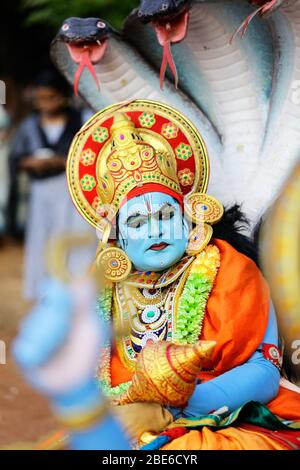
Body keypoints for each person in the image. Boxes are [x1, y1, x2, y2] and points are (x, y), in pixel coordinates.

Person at [14, 100, 300, 450]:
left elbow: (265, 369)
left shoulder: (231, 267)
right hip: (129, 422)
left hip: (229, 417)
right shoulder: (105, 289)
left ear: (188, 217)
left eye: (166, 216)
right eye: (137, 222)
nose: (155, 230)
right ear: (115, 236)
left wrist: (176, 409)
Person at [8, 68, 95, 300]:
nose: (45, 103)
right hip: (42, 191)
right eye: (41, 99)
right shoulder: (30, 125)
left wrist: (63, 160)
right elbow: (17, 158)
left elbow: (91, 151)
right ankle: (43, 291)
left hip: (71, 190)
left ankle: (76, 288)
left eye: (50, 97)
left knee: (74, 236)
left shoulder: (81, 119)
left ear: (62, 96)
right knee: (42, 237)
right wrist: (32, 163)